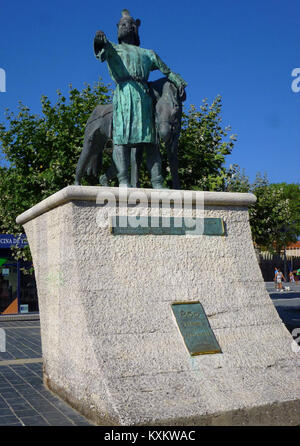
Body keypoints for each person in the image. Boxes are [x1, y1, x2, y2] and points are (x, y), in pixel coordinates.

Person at [93, 9, 187, 188]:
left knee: (151, 140)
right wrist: (99, 39)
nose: (126, 26)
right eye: (122, 25)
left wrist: (178, 83)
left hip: (143, 96)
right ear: (118, 29)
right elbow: (101, 50)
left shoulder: (148, 53)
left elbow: (166, 71)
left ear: (135, 29)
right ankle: (123, 181)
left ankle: (157, 182)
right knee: (122, 139)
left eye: (129, 24)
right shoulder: (113, 49)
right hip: (124, 95)